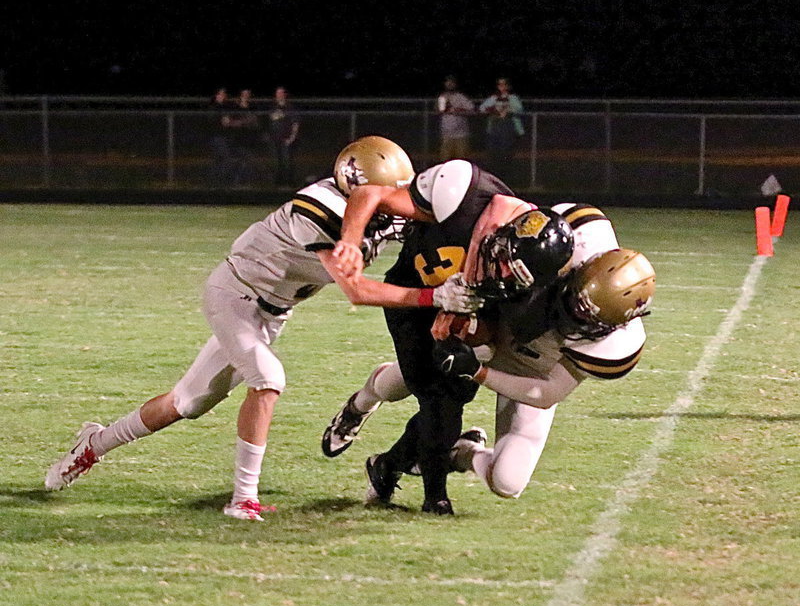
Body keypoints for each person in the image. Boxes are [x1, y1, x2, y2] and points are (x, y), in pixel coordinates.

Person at [44, 136, 483, 522]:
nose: (393, 202)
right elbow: (357, 291)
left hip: (272, 313)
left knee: (187, 402)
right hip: (234, 295)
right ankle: (243, 498)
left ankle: (93, 445)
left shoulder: (386, 206)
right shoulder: (317, 208)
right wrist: (434, 298)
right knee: (268, 380)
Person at [323, 204, 655, 509]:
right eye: (575, 301)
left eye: (586, 318)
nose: (572, 315)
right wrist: (466, 302)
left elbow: (549, 392)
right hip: (498, 322)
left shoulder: (617, 347)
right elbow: (504, 226)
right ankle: (362, 402)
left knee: (508, 482)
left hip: (533, 369)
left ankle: (459, 453)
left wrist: (479, 373)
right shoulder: (575, 236)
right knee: (415, 377)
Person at [330, 160, 575, 515]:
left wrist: (463, 325)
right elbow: (370, 193)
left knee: (454, 391)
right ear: (506, 234)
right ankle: (434, 497)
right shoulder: (463, 196)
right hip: (410, 299)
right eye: (507, 262)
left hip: (453, 308)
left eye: (515, 275)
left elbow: (489, 329)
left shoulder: (522, 282)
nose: (504, 273)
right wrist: (351, 242)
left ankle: (388, 465)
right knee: (438, 401)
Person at [479, 77, 525, 186]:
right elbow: (482, 108)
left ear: (508, 86)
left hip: (509, 130)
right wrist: (493, 109)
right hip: (495, 130)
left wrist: (507, 111)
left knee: (507, 155)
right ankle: (495, 179)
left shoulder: (513, 98)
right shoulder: (493, 98)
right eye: (500, 85)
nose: (502, 87)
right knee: (494, 155)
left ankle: (508, 180)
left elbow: (519, 109)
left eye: (504, 84)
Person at [266, 86, 300, 187]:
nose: (279, 95)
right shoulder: (271, 108)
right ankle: (277, 183)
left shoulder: (290, 108)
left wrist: (292, 138)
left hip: (286, 139)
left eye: (281, 93)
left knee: (287, 162)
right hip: (274, 139)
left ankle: (289, 183)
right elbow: (267, 123)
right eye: (278, 93)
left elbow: (295, 124)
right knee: (276, 162)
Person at [229, 89, 262, 186]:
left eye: (248, 94)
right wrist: (243, 122)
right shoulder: (235, 107)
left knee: (248, 161)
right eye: (244, 94)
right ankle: (237, 182)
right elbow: (230, 122)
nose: (246, 96)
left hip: (250, 138)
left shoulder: (252, 107)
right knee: (241, 160)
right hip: (238, 138)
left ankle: (245, 182)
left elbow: (256, 122)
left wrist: (250, 122)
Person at [436, 75, 474, 161]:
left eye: (452, 82)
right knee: (445, 161)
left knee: (461, 161)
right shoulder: (442, 97)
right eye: (447, 82)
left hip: (461, 135)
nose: (449, 84)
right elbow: (439, 111)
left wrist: (457, 110)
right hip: (446, 134)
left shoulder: (460, 97)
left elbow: (471, 109)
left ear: (455, 84)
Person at [208, 87, 236, 187]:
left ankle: (216, 182)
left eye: (224, 94)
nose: (222, 96)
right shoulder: (214, 107)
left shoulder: (225, 106)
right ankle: (220, 182)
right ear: (216, 95)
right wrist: (222, 121)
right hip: (217, 137)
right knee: (224, 159)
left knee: (220, 159)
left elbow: (229, 121)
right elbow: (213, 122)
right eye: (220, 94)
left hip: (224, 136)